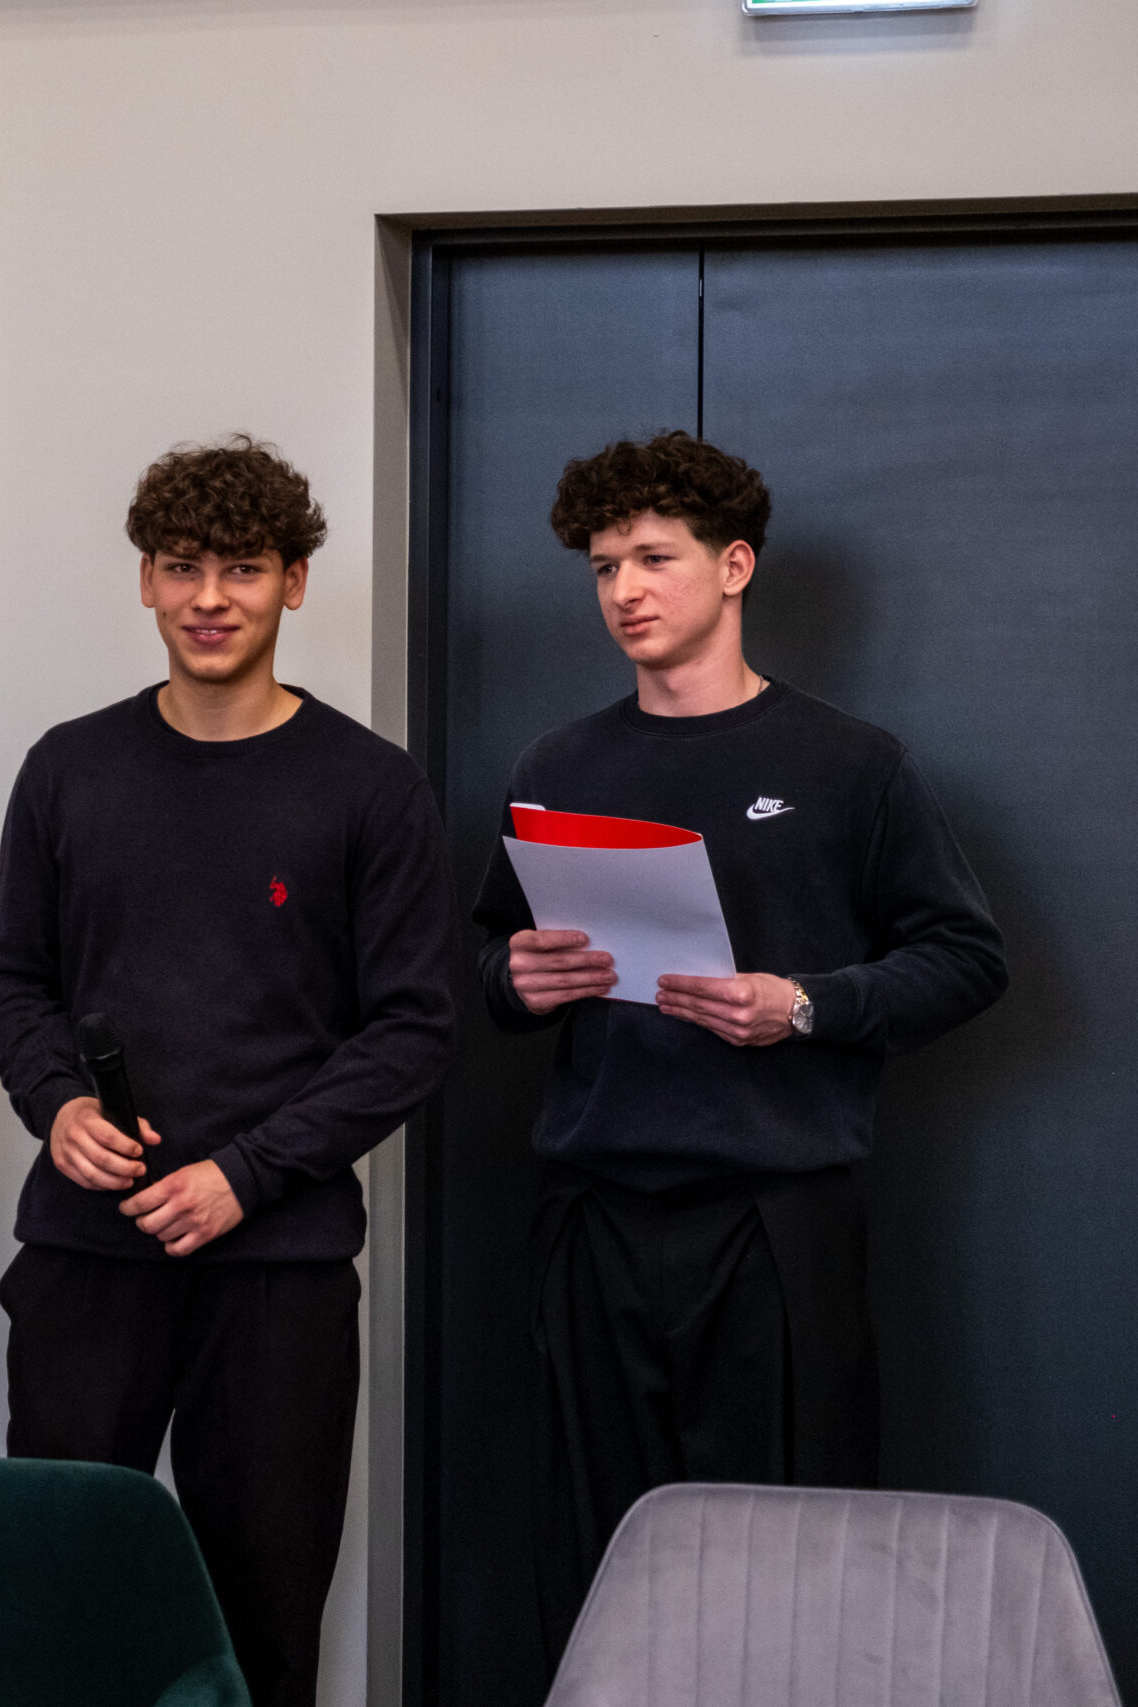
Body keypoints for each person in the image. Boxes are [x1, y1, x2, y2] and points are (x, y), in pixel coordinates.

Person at [474, 431, 1008, 1657]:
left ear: (733, 566)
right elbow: (492, 958)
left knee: (791, 1571)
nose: (624, 590)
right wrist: (513, 979)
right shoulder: (558, 764)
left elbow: (966, 959)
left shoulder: (851, 764)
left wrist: (803, 1005)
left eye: (652, 558)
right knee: (596, 1562)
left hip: (775, 1223)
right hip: (595, 1215)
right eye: (603, 567)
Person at [0, 437, 459, 1707]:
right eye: (181, 567)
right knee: (59, 1607)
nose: (208, 598)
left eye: (241, 569)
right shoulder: (69, 767)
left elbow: (413, 1029)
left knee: (262, 1625)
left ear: (293, 582)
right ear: (145, 581)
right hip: (85, 1256)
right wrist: (56, 1104)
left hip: (276, 1274)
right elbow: (9, 980)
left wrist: (247, 1174)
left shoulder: (370, 788)